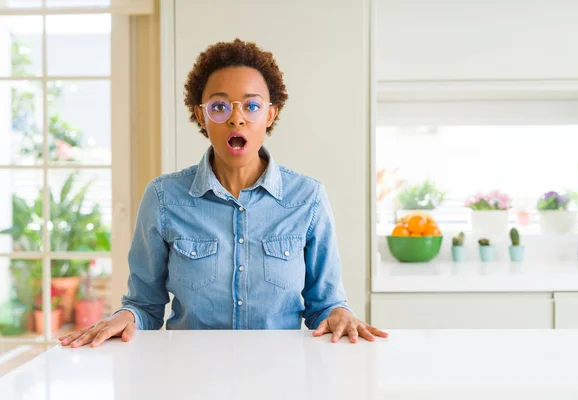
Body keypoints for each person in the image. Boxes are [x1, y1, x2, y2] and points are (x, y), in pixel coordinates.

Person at [59, 39, 388, 348]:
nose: (236, 119)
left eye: (251, 106)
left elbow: (325, 306)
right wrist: (124, 316)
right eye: (219, 107)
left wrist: (339, 314)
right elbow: (145, 306)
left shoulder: (308, 198)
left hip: (281, 379)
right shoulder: (163, 198)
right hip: (188, 379)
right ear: (201, 115)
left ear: (270, 114)